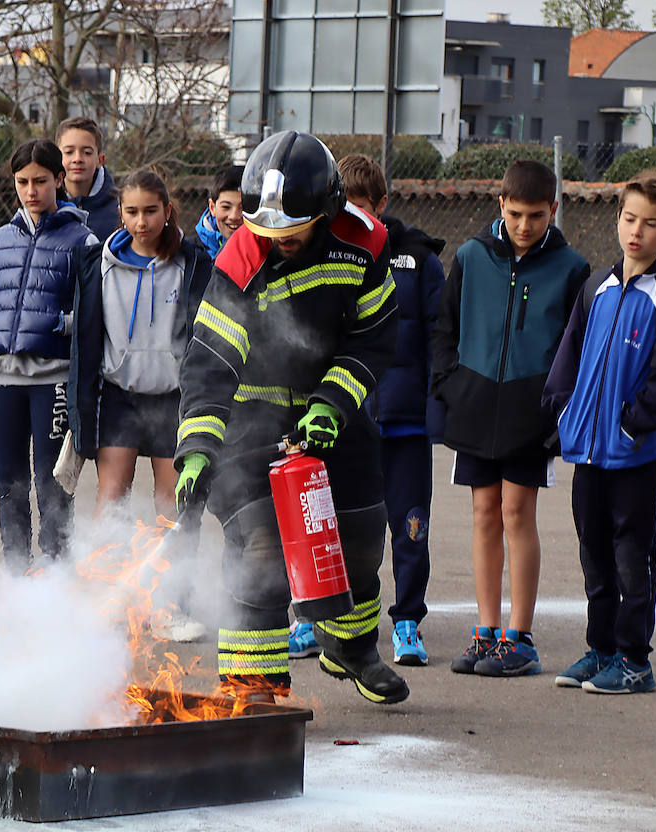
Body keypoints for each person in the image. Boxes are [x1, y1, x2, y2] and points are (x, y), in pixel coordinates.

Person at [173, 130, 408, 705]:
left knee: (357, 534)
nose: (278, 241)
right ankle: (252, 682)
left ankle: (351, 648)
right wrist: (199, 447)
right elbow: (208, 365)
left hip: (335, 416)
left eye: (292, 231)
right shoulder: (239, 260)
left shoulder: (364, 247)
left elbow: (372, 340)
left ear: (326, 211)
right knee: (259, 550)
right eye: (267, 230)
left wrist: (331, 404)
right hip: (250, 424)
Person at [431, 160, 590, 677]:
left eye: (537, 216)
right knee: (484, 512)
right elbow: (444, 329)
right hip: (475, 403)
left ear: (554, 211)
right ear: (500, 205)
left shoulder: (571, 269)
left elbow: (576, 348)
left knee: (517, 511)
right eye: (517, 214)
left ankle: (519, 637)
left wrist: (556, 408)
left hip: (531, 411)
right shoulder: (472, 256)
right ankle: (485, 631)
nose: (525, 226)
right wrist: (450, 385)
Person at [543, 171, 656, 695]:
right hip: (587, 451)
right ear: (618, 219)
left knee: (633, 554)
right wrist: (562, 410)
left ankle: (634, 660)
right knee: (595, 553)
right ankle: (601, 648)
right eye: (630, 219)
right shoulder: (595, 288)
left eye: (651, 224)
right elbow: (568, 357)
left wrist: (633, 424)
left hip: (636, 455)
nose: (637, 231)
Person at [290, 153, 444, 666]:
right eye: (342, 212)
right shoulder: (320, 255)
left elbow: (438, 339)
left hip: (404, 422)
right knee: (328, 527)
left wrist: (434, 409)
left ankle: (405, 623)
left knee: (408, 524)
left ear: (382, 205)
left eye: (362, 210)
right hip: (345, 423)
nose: (351, 223)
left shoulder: (419, 260)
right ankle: (316, 622)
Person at [0, 139, 96, 570]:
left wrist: (64, 324)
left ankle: (57, 576)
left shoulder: (83, 239)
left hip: (53, 380)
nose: (31, 190)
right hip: (0, 380)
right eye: (22, 182)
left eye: (40, 180)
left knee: (53, 485)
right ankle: (17, 575)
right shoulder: (1, 239)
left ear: (60, 179)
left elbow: (95, 314)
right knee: (9, 485)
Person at [68, 169, 212, 521]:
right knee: (112, 500)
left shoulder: (191, 264)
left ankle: (172, 578)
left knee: (171, 505)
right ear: (120, 211)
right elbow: (85, 342)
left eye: (150, 210)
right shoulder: (97, 264)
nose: (141, 221)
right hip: (120, 395)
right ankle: (109, 575)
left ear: (167, 209)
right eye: (132, 211)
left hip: (174, 397)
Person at [56, 117, 119, 241]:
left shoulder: (119, 209)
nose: (77, 159)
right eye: (69, 152)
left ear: (100, 160)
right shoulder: (46, 206)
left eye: (87, 152)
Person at [193, 165, 244, 259]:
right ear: (212, 207)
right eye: (226, 207)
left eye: (243, 208)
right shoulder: (191, 254)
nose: (234, 216)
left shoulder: (271, 251)